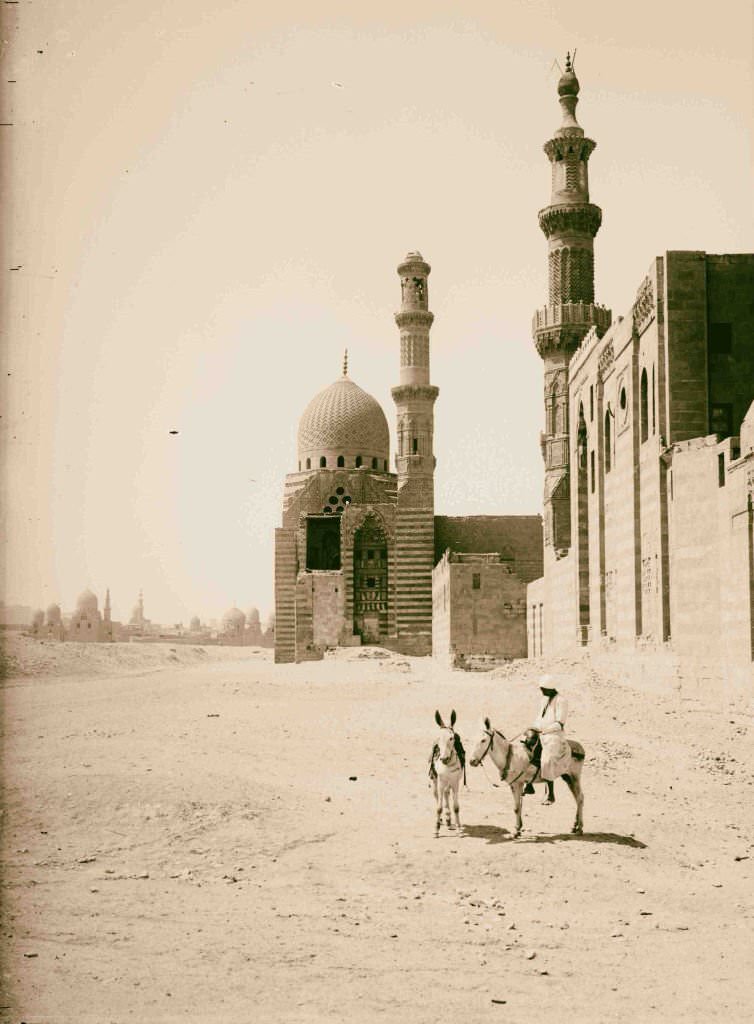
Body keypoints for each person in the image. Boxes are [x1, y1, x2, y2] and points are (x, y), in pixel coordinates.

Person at [523, 675, 569, 804]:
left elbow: (560, 723)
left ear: (550, 688)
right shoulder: (544, 700)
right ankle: (529, 783)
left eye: (543, 689)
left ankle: (550, 794)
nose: (541, 691)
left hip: (554, 735)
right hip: (542, 732)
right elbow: (539, 718)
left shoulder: (561, 700)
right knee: (526, 748)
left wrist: (544, 730)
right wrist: (533, 727)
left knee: (547, 760)